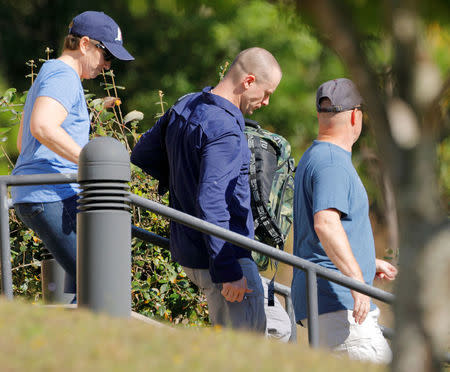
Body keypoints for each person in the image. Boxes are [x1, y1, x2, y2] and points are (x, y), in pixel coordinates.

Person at [131, 47, 283, 333]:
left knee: (271, 334)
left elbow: (142, 153)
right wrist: (228, 270)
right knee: (244, 356)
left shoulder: (185, 105)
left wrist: (182, 182)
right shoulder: (225, 129)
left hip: (190, 249)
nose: (265, 102)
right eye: (266, 93)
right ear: (248, 81)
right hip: (225, 260)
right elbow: (212, 201)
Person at [11, 11, 134, 300]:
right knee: (100, 279)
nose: (107, 65)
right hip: (49, 193)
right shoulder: (63, 75)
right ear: (85, 44)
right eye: (106, 55)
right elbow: (42, 126)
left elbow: (22, 140)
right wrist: (94, 165)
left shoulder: (49, 72)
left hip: (39, 193)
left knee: (89, 279)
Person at [291, 78, 398, 362]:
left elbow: (319, 236)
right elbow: (325, 224)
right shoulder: (332, 162)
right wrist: (356, 281)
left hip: (329, 303)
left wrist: (365, 261)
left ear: (319, 114)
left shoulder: (315, 156)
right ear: (355, 115)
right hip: (340, 305)